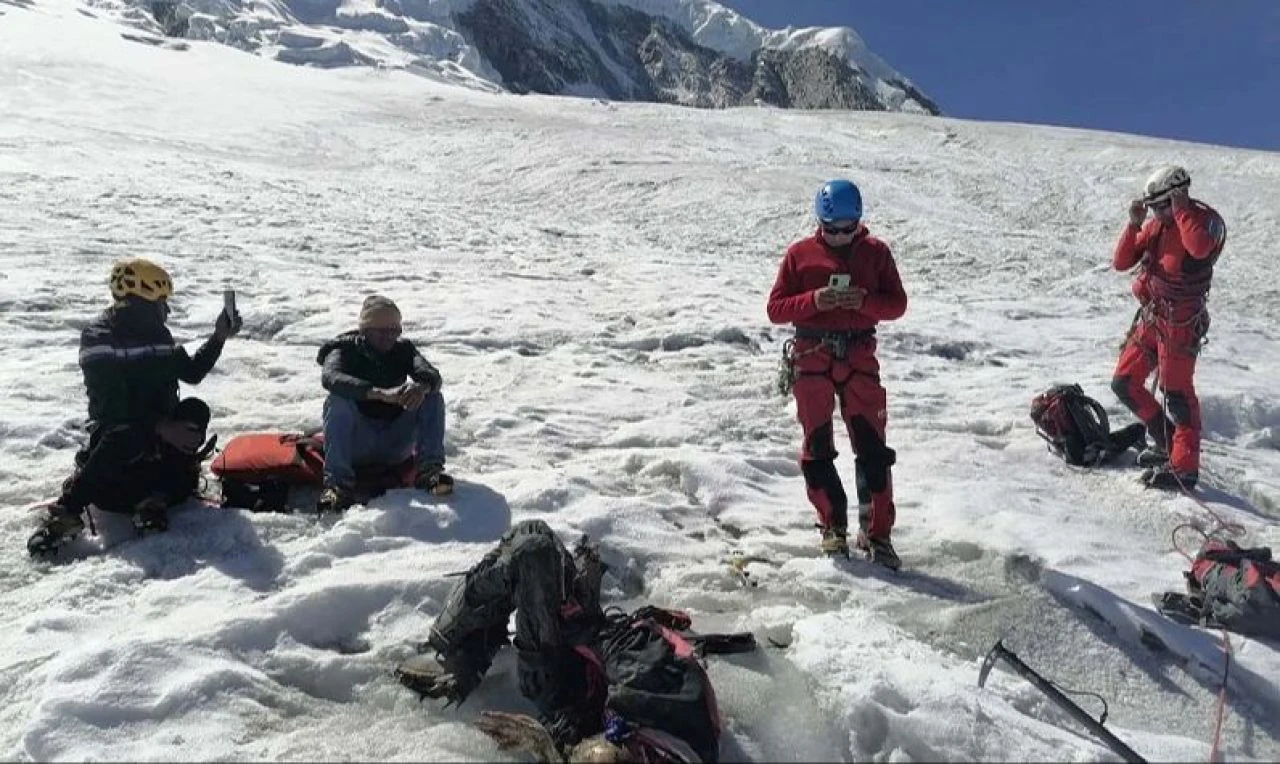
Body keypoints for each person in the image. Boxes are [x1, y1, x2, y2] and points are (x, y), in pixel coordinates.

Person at [396, 520, 748, 763]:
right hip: (590, 667)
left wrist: (542, 740)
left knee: (532, 546)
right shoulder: (662, 705)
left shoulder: (650, 719)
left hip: (564, 687)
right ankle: (466, 642)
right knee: (537, 544)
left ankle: (457, 647)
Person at [27, 258, 241, 556]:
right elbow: (112, 407)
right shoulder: (99, 338)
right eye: (160, 303)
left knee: (195, 410)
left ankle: (154, 499)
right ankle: (67, 512)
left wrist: (219, 338)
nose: (166, 310)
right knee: (125, 432)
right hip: (119, 443)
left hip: (157, 442)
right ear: (137, 304)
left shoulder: (159, 336)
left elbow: (191, 372)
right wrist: (162, 427)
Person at [765, 179, 908, 569]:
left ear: (859, 222)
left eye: (849, 229)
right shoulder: (800, 255)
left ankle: (877, 534)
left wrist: (865, 302)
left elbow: (897, 305)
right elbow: (775, 309)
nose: (841, 237)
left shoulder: (877, 253)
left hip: (859, 359)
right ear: (820, 222)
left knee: (873, 450)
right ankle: (833, 527)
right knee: (817, 447)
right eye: (832, 229)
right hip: (812, 359)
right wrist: (815, 301)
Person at [1110, 166, 1227, 490]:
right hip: (1152, 317)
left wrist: (1181, 211)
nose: (1157, 213)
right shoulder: (1155, 227)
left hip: (1180, 323)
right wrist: (1134, 223)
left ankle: (1185, 467)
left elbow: (1200, 248)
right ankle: (1168, 442)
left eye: (1162, 205)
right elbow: (1122, 262)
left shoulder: (1203, 221)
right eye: (1154, 207)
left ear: (1179, 195)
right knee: (1124, 382)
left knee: (1177, 394)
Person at [315, 295, 452, 512]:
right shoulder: (344, 349)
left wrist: (421, 388)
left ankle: (430, 473)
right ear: (365, 330)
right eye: (381, 331)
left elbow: (431, 375)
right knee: (337, 400)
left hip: (394, 441)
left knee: (432, 396)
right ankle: (337, 486)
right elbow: (331, 378)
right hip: (357, 443)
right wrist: (378, 394)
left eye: (394, 331)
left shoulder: (403, 350)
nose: (389, 337)